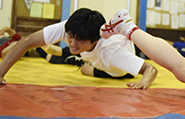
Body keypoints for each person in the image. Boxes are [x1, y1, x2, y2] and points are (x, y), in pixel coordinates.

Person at [0, 8, 158, 88]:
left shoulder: (111, 53)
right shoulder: (70, 28)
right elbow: (26, 41)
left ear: (95, 40)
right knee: (75, 60)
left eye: (79, 40)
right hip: (97, 57)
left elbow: (150, 69)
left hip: (118, 71)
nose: (72, 42)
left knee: (84, 69)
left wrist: (144, 82)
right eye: (70, 36)